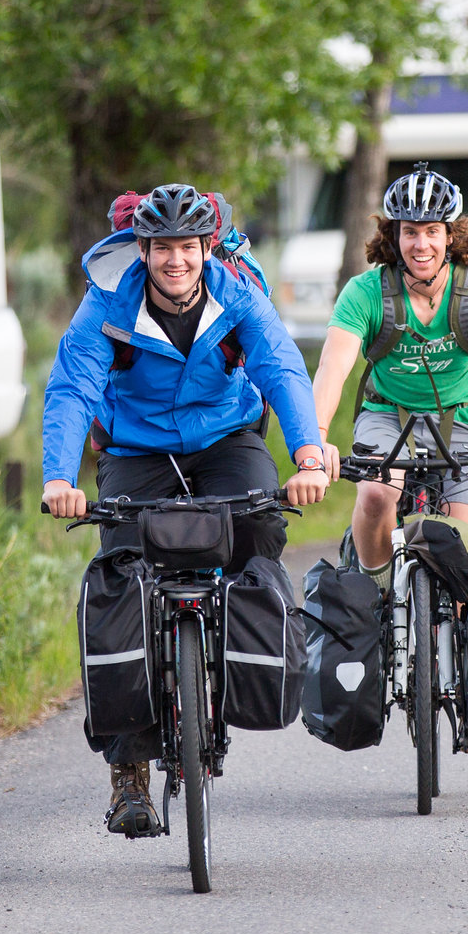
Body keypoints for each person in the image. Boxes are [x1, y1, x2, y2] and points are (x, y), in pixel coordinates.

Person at [43, 183, 329, 837]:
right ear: (141, 250)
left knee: (259, 524)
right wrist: (60, 476)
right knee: (120, 576)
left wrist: (308, 452)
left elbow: (279, 364)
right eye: (163, 248)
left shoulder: (236, 293)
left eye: (188, 247)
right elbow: (72, 385)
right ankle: (129, 776)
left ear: (208, 247)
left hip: (225, 438)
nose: (176, 260)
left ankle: (238, 657)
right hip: (137, 449)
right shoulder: (107, 303)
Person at [309, 163, 468, 587]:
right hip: (387, 417)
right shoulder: (366, 293)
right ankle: (375, 592)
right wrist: (316, 439)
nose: (421, 244)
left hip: (464, 421)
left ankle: (451, 639)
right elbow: (333, 367)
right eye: (410, 232)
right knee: (377, 494)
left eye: (432, 231)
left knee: (464, 549)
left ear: (451, 235)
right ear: (393, 235)